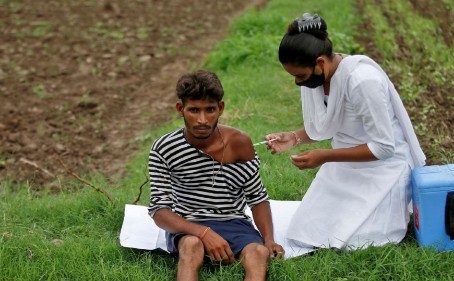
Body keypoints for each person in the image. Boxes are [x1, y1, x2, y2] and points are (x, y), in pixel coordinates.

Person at [265, 13, 426, 250]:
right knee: (306, 230)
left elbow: (383, 147)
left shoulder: (362, 81)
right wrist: (295, 137)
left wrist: (325, 156)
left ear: (320, 63)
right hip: (345, 165)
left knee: (355, 240)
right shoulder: (319, 79)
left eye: (300, 75)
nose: (297, 82)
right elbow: (329, 125)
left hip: (384, 168)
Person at [148, 70, 284, 281]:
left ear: (220, 108)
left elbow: (257, 199)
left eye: (209, 110)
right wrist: (202, 233)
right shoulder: (165, 148)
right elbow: (159, 210)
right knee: (191, 246)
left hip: (234, 221)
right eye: (194, 110)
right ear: (180, 109)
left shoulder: (240, 143)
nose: (202, 120)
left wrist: (269, 239)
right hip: (189, 223)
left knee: (258, 253)